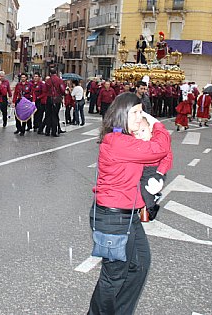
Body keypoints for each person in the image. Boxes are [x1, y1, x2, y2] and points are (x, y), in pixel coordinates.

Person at [88, 92, 173, 314]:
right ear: (121, 115)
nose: (140, 117)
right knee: (113, 277)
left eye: (141, 112)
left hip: (128, 216)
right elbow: (159, 148)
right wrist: (157, 126)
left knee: (140, 265)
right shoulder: (117, 141)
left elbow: (160, 157)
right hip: (113, 218)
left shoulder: (128, 142)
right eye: (135, 112)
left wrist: (160, 172)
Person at [44, 68, 65, 137]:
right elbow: (62, 90)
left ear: (50, 73)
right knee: (55, 115)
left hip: (49, 99)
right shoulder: (59, 80)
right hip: (56, 99)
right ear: (56, 72)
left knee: (48, 115)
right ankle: (54, 131)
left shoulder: (48, 81)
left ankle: (47, 131)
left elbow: (45, 90)